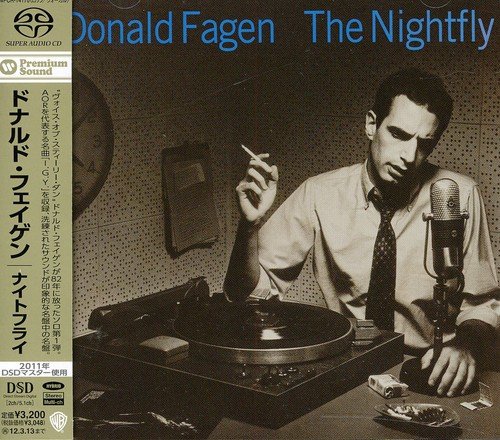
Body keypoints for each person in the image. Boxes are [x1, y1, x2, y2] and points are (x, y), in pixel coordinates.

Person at [224, 68, 499, 397]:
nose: (408, 156)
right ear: (371, 124)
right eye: (398, 134)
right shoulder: (319, 194)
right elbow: (246, 295)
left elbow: (483, 304)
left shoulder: (457, 196)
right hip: (347, 367)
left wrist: (466, 347)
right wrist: (249, 225)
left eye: (424, 144)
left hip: (430, 370)